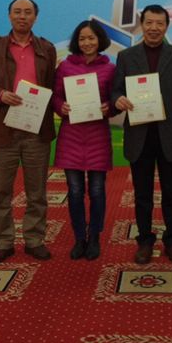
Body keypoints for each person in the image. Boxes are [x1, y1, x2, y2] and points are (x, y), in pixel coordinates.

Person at [0, 0, 56, 264]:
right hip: (2, 129)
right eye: (17, 12)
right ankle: (3, 241)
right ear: (9, 16)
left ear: (35, 17)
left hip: (36, 130)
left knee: (37, 192)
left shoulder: (47, 48)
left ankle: (34, 239)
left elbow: (52, 87)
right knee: (0, 192)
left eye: (28, 12)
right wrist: (0, 95)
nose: (22, 16)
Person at [111, 4, 172, 265]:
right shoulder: (126, 56)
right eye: (149, 23)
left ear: (166, 26)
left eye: (159, 23)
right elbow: (115, 90)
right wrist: (118, 99)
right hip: (140, 135)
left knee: (171, 193)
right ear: (142, 25)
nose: (154, 28)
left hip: (169, 135)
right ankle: (145, 240)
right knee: (142, 194)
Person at [51, 20, 117, 261]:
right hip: (71, 135)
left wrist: (109, 107)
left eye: (91, 38)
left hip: (98, 135)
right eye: (82, 39)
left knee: (97, 190)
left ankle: (95, 236)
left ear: (100, 40)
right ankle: (79, 237)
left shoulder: (110, 68)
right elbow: (55, 96)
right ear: (76, 42)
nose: (87, 42)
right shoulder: (65, 66)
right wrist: (61, 107)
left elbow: (115, 100)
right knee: (75, 191)